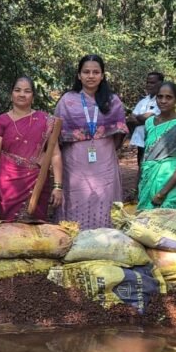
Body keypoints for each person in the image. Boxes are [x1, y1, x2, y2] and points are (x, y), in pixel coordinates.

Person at [56, 54, 128, 229]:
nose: (91, 76)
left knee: (105, 195)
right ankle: (73, 239)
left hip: (104, 158)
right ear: (79, 75)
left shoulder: (113, 101)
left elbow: (118, 135)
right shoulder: (67, 101)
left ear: (102, 75)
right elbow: (56, 135)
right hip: (75, 159)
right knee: (76, 196)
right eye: (86, 72)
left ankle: (106, 240)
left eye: (96, 72)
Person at [0, 77, 64, 221]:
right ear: (11, 94)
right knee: (9, 228)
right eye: (17, 90)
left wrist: (58, 186)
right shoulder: (2, 121)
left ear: (33, 96)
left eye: (27, 91)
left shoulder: (45, 120)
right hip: (8, 184)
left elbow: (55, 154)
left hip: (37, 183)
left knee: (37, 230)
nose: (22, 94)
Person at [136, 81, 176, 211]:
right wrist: (138, 184)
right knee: (144, 224)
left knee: (168, 225)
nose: (163, 100)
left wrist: (163, 192)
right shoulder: (149, 122)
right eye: (160, 96)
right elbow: (146, 154)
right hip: (148, 178)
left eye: (169, 97)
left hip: (170, 183)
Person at [128, 71, 164, 171]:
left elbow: (152, 118)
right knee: (141, 166)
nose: (149, 85)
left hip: (155, 141)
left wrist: (142, 118)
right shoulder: (143, 100)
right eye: (148, 82)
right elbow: (131, 119)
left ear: (160, 83)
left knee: (153, 168)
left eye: (152, 83)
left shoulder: (162, 100)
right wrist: (144, 118)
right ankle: (140, 186)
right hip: (141, 140)